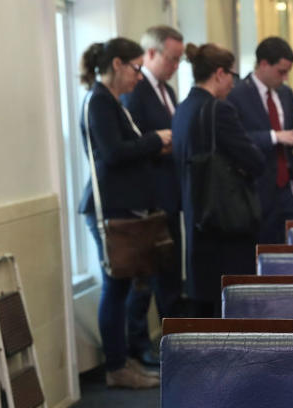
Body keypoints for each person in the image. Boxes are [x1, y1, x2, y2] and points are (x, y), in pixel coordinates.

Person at [78, 37, 172, 389]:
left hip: (126, 206)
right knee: (115, 288)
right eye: (135, 68)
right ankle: (117, 366)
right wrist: (155, 139)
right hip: (109, 209)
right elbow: (114, 153)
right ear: (117, 64)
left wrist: (152, 143)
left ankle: (125, 360)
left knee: (125, 286)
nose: (138, 75)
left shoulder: (112, 101)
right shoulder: (99, 102)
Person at [172, 43, 265, 317]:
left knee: (204, 304)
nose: (233, 85)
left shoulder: (183, 108)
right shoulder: (218, 111)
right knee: (230, 304)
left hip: (196, 215)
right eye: (232, 77)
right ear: (220, 73)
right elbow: (254, 160)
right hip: (225, 218)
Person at [121, 25, 185, 369]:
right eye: (172, 59)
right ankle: (138, 344)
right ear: (151, 54)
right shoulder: (136, 90)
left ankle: (171, 337)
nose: (176, 65)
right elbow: (138, 142)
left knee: (169, 270)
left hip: (170, 191)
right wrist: (160, 143)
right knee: (145, 276)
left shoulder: (169, 91)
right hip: (147, 194)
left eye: (179, 60)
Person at [226, 37, 293, 245]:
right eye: (281, 72)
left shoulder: (286, 94)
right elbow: (236, 140)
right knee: (264, 251)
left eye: (288, 72)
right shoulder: (237, 94)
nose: (285, 78)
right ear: (263, 64)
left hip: (288, 188)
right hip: (257, 189)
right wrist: (274, 137)